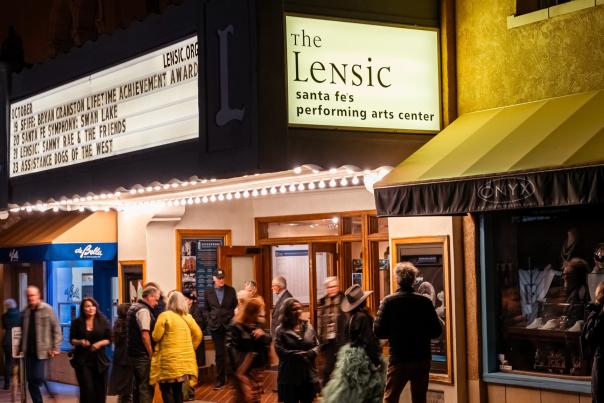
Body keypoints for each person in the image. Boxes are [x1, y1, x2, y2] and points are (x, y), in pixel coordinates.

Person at [374, 262, 442, 403]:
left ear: (397, 280)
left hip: (399, 358)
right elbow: (437, 331)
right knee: (419, 398)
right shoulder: (425, 302)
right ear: (413, 280)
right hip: (422, 357)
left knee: (391, 398)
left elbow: (378, 331)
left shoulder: (388, 301)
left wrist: (395, 333)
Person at [322, 284, 384, 403]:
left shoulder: (351, 318)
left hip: (350, 361)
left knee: (352, 393)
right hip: (364, 362)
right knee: (366, 394)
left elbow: (346, 340)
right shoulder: (363, 317)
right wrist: (377, 362)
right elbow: (369, 341)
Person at [150, 291, 202, 403]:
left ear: (169, 302)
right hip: (182, 363)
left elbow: (156, 336)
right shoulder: (188, 317)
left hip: (167, 361)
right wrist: (190, 348)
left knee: (165, 389)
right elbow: (198, 334)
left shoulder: (164, 316)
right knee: (178, 390)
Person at [19, 285, 62, 403]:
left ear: (38, 296)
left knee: (37, 377)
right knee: (31, 382)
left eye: (32, 295)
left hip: (42, 350)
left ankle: (49, 389)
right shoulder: (25, 312)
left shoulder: (47, 309)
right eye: (28, 296)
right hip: (28, 351)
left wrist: (56, 346)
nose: (30, 298)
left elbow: (56, 328)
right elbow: (22, 332)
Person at [274, 298, 320, 403]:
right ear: (286, 312)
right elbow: (280, 352)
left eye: (299, 308)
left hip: (307, 375)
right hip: (289, 377)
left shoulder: (308, 326)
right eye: (294, 309)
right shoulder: (280, 330)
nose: (298, 311)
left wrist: (310, 353)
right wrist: (299, 355)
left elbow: (317, 345)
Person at [227, 297, 272, 403]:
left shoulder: (258, 323)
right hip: (241, 368)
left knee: (254, 397)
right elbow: (230, 349)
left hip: (256, 366)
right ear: (251, 312)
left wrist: (263, 334)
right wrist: (238, 372)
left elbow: (269, 339)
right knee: (244, 396)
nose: (260, 314)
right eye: (258, 311)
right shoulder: (236, 325)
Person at [70, 297, 112, 403]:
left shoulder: (103, 320)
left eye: (92, 305)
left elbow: (110, 338)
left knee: (100, 390)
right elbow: (72, 339)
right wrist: (81, 342)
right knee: (87, 390)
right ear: (83, 309)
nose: (91, 308)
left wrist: (100, 343)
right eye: (87, 306)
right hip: (83, 360)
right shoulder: (77, 322)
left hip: (100, 361)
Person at [203, 269, 237, 389]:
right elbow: (205, 309)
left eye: (222, 277)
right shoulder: (208, 292)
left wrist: (231, 318)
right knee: (219, 354)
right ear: (214, 279)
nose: (221, 280)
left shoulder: (231, 290)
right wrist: (209, 319)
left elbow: (235, 306)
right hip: (215, 327)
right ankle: (220, 379)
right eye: (219, 278)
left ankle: (233, 379)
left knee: (231, 352)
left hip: (228, 326)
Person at [127, 286, 160, 403]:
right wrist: (151, 354)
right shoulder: (144, 311)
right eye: (156, 300)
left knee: (136, 386)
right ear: (149, 297)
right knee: (146, 387)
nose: (156, 303)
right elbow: (145, 335)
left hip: (132, 354)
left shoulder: (133, 307)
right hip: (142, 356)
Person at [317, 276, 346, 384]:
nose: (331, 289)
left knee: (341, 369)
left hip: (342, 340)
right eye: (329, 287)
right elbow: (320, 323)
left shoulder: (344, 300)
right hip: (328, 341)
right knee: (327, 370)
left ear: (338, 287)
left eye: (334, 287)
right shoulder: (323, 302)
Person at [182, 290, 205, 401]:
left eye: (186, 299)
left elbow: (201, 324)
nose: (184, 301)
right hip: (186, 341)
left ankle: (191, 388)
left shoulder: (197, 309)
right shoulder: (183, 310)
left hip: (194, 341)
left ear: (190, 300)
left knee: (193, 365)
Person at [108, 303, 133, 403]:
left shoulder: (117, 323)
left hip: (119, 357)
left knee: (122, 386)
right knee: (128, 385)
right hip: (127, 357)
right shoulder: (129, 325)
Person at [2, 299, 20, 390]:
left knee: (8, 362)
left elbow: (4, 326)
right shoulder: (20, 314)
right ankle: (20, 381)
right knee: (19, 362)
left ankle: (7, 384)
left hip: (7, 341)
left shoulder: (4, 316)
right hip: (18, 340)